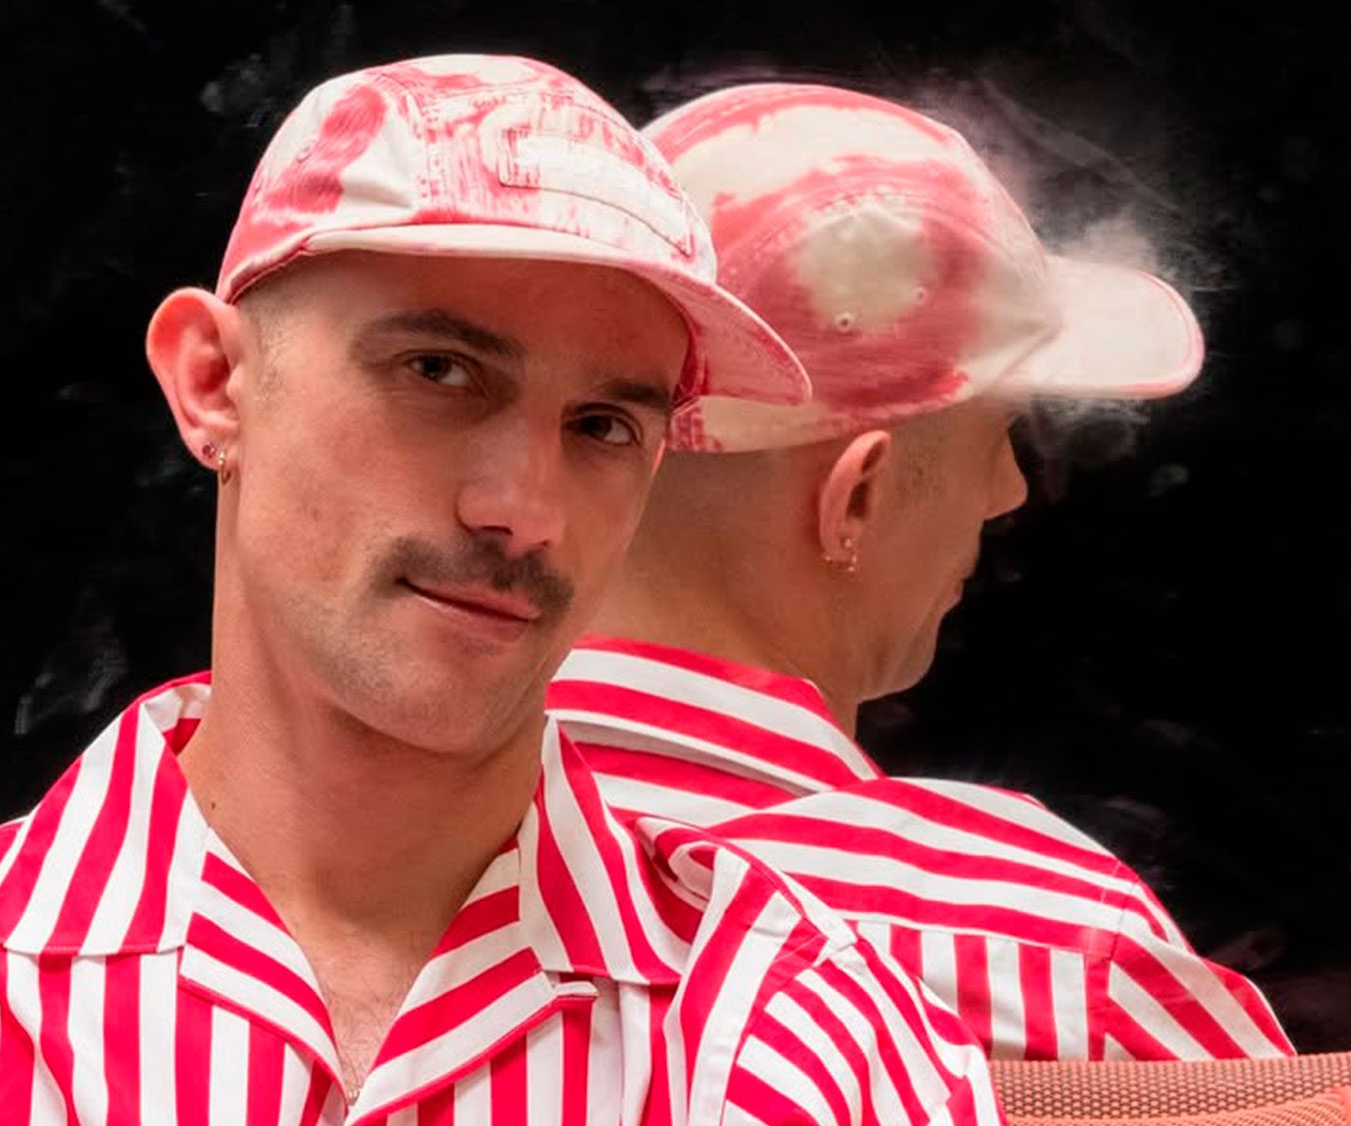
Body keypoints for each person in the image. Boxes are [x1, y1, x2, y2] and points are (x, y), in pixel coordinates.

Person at [0, 57, 1032, 1126]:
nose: (523, 509)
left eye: (603, 425)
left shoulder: (812, 1047)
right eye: (440, 371)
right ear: (213, 382)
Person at [550, 82, 1293, 1061]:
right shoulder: (1056, 951)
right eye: (999, 433)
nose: (1010, 489)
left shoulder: (377, 869)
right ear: (855, 496)